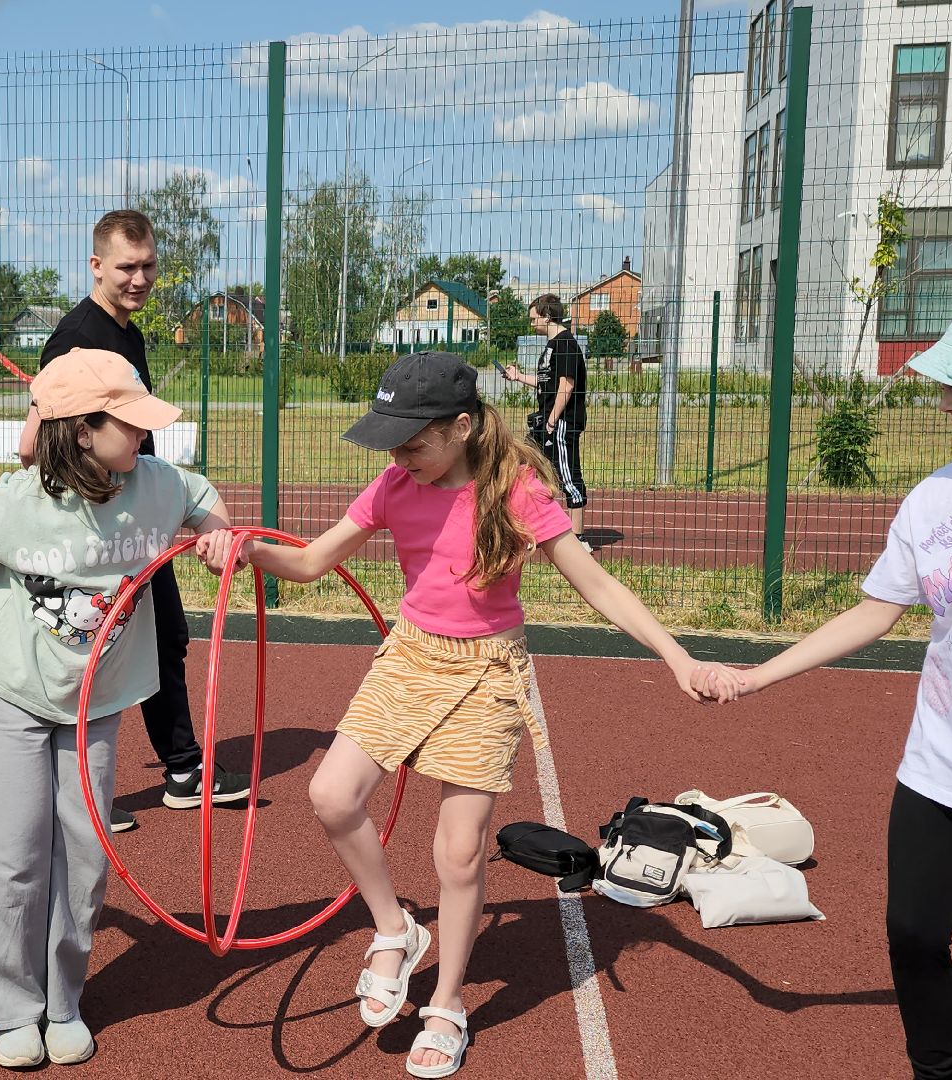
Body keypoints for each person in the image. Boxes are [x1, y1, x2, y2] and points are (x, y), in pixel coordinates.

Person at [204, 352, 730, 1077]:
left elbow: (598, 586)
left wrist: (678, 658)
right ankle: (395, 928)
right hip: (411, 658)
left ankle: (446, 1003)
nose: (399, 456)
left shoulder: (513, 491)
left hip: (487, 674)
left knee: (457, 852)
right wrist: (241, 548)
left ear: (458, 427)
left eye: (412, 441)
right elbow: (310, 562)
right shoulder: (394, 483)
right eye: (390, 442)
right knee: (329, 794)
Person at [703, 295, 952, 1080]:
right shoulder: (938, 497)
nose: (945, 401)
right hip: (945, 759)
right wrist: (758, 676)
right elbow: (877, 611)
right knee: (913, 930)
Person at [0, 348, 240, 1067]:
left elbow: (207, 503)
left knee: (85, 852)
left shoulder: (156, 484)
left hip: (99, 702)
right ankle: (10, 1006)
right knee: (10, 852)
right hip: (11, 693)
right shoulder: (15, 503)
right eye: (130, 424)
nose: (146, 436)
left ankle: (62, 1000)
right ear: (82, 431)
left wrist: (217, 533)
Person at [16, 208, 248, 833]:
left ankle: (180, 768)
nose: (140, 278)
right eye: (126, 267)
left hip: (133, 518)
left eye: (148, 266)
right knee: (93, 652)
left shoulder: (127, 332)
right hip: (95, 531)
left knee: (163, 635)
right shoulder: (75, 338)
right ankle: (81, 794)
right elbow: (33, 444)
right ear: (96, 265)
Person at [502, 294, 590, 546]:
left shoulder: (565, 344)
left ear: (546, 316)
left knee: (568, 475)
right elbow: (547, 383)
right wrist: (518, 377)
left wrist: (552, 421)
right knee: (522, 467)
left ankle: (578, 538)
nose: (531, 324)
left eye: (533, 319)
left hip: (560, 422)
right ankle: (527, 526)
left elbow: (567, 385)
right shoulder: (551, 345)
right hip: (544, 421)